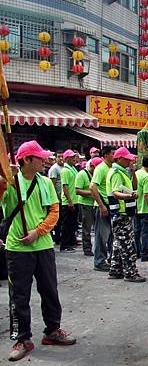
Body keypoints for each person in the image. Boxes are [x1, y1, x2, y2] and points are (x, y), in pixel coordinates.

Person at [0, 141, 76, 362]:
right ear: (26, 160)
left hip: (42, 245)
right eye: (40, 158)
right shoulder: (12, 183)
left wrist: (38, 231)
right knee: (19, 296)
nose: (45, 161)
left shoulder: (45, 182)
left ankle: (52, 330)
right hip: (17, 248)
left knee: (50, 290)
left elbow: (54, 211)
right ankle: (22, 338)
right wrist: (5, 179)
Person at [106, 147, 145, 282]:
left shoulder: (124, 172)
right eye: (127, 159)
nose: (129, 161)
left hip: (123, 213)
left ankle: (115, 270)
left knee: (119, 244)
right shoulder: (116, 173)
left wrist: (133, 172)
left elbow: (134, 185)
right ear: (119, 158)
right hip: (120, 213)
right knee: (128, 246)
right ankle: (130, 273)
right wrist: (130, 196)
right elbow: (116, 192)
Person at [90, 146, 115, 272]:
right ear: (105, 155)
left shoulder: (111, 168)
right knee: (101, 235)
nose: (114, 156)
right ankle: (99, 261)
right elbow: (93, 187)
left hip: (110, 205)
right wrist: (101, 205)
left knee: (110, 234)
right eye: (112, 153)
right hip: (102, 206)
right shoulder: (100, 168)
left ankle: (109, 258)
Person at [75, 157, 103, 256]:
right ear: (91, 166)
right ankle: (87, 248)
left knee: (97, 227)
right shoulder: (81, 174)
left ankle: (98, 248)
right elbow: (77, 190)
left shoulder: (96, 174)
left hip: (95, 204)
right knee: (87, 227)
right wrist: (92, 193)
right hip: (85, 204)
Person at [58, 150, 79, 252]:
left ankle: (71, 242)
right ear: (66, 159)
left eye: (74, 157)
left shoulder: (73, 169)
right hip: (68, 202)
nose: (74, 159)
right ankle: (64, 245)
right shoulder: (65, 170)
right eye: (71, 157)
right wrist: (69, 201)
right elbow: (65, 186)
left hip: (75, 200)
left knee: (72, 223)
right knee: (66, 224)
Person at [47, 151, 63, 244]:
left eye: (62, 157)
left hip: (62, 198)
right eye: (59, 157)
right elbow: (52, 184)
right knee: (57, 220)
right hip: (57, 198)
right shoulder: (54, 169)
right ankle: (56, 238)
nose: (61, 159)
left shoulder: (63, 167)